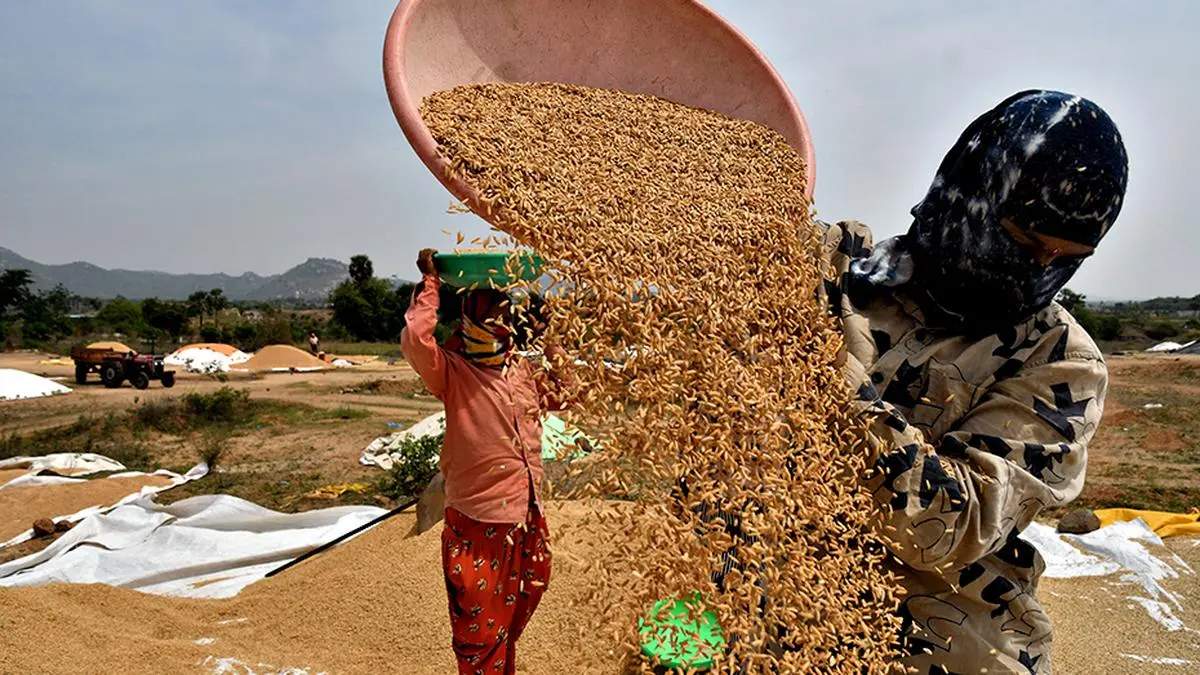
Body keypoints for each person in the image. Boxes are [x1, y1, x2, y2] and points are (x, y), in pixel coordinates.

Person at [822, 90, 1128, 673]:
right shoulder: (832, 265)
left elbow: (950, 528)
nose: (1040, 270)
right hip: (757, 556)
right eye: (1024, 241)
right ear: (968, 196)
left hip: (931, 614)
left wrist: (823, 372)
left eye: (1068, 258)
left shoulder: (1060, 361)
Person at [401, 248, 571, 675]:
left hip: (525, 517)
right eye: (489, 316)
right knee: (478, 631)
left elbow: (568, 392)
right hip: (477, 523)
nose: (500, 324)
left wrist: (552, 339)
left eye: (504, 316)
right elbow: (417, 340)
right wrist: (431, 285)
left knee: (513, 614)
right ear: (470, 322)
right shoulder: (453, 372)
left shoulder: (522, 373)